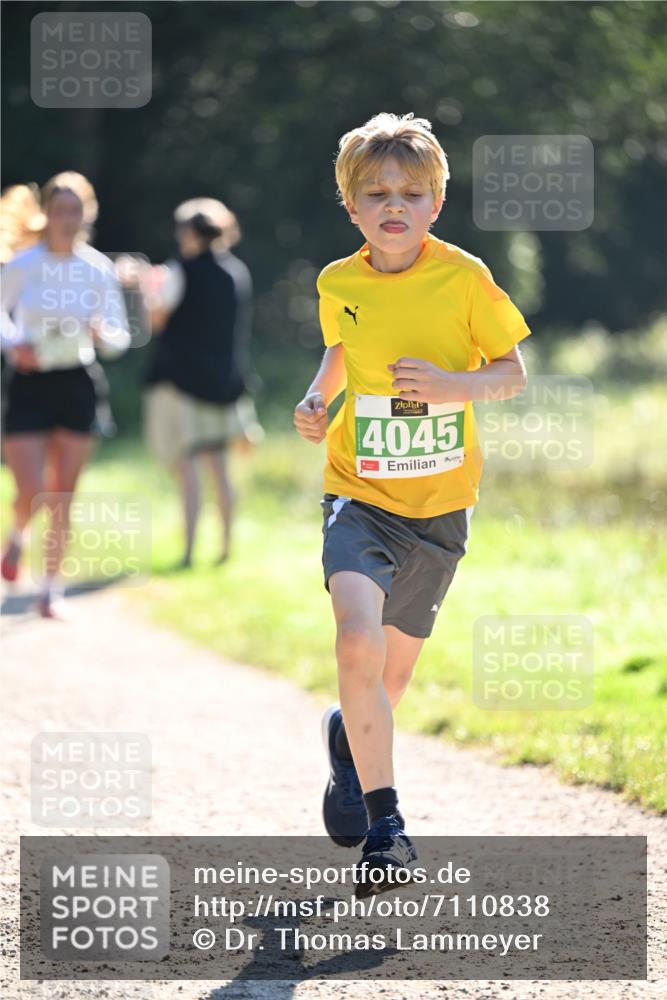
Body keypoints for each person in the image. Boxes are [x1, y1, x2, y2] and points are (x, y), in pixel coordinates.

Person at [293, 112, 532, 898]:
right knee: (354, 642)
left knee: (385, 686)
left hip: (439, 508)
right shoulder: (338, 282)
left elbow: (510, 372)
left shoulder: (463, 278)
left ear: (435, 202)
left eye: (411, 192)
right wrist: (317, 396)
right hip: (356, 493)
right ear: (351, 206)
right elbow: (341, 346)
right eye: (376, 193)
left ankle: (348, 742)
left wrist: (451, 386)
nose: (393, 205)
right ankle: (387, 829)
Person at [0, 173, 131, 618]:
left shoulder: (97, 268)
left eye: (75, 211)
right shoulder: (23, 265)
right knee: (32, 490)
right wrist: (13, 342)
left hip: (77, 382)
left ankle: (49, 588)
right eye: (59, 211)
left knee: (61, 496)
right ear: (46, 214)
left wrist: (102, 333)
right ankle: (17, 534)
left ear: (85, 216)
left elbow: (120, 337)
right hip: (30, 383)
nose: (67, 220)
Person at [142, 198, 263, 568]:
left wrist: (146, 289)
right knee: (221, 470)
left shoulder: (180, 270)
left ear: (189, 233)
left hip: (184, 385)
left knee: (188, 469)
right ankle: (225, 549)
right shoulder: (236, 272)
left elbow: (157, 319)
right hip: (225, 385)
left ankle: (190, 552)